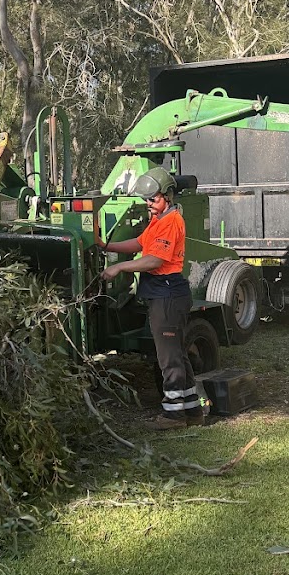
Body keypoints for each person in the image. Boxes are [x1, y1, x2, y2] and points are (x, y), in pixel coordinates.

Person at [101, 167, 204, 430]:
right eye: (147, 200)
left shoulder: (172, 222)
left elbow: (155, 259)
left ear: (168, 196)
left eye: (154, 199)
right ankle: (191, 410)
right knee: (177, 354)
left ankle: (173, 416)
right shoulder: (158, 220)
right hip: (163, 294)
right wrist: (106, 246)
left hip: (167, 294)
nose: (149, 204)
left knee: (168, 358)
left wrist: (119, 267)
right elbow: (140, 243)